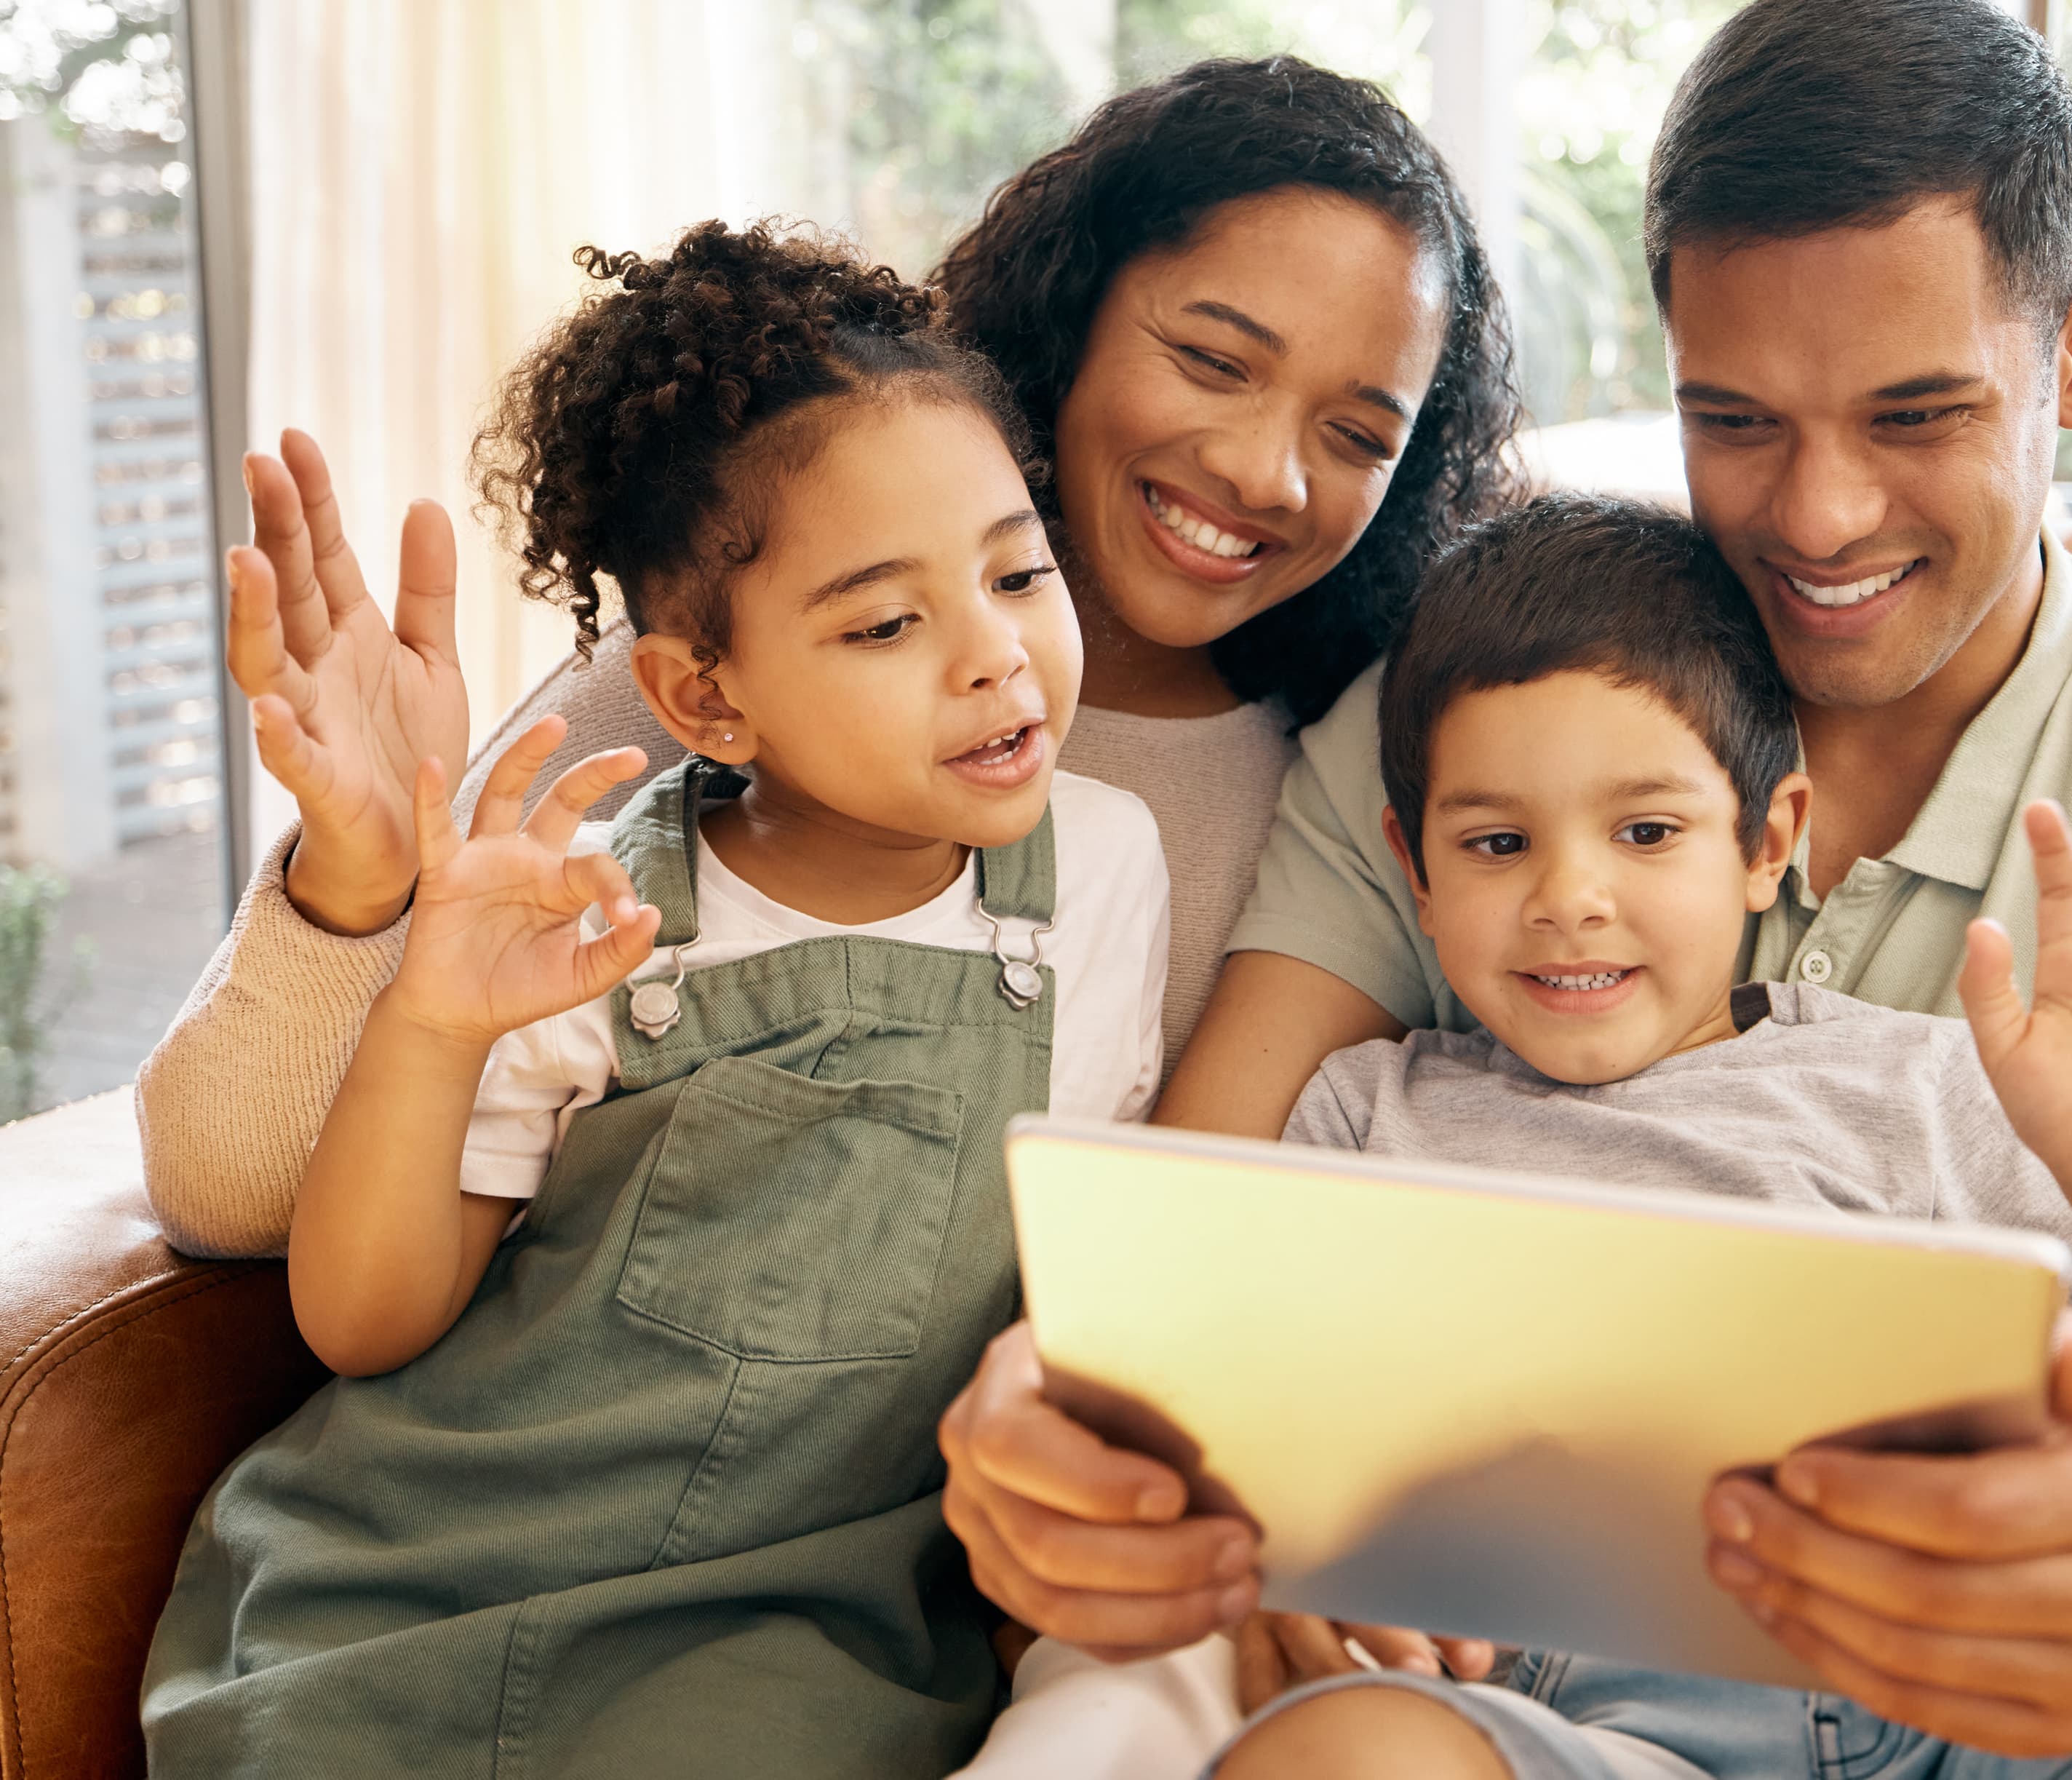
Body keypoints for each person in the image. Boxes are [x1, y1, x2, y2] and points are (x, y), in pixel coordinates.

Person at [937, 4, 2072, 1774]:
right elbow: (1181, 1263)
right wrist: (1095, 1446)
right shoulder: (1474, 714)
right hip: (1554, 1700)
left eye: (1917, 411)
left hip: (2057, 1684)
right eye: (1734, 416)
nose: (1817, 514)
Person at [971, 491, 2072, 1780]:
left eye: (1645, 830)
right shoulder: (1363, 1114)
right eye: (1497, 844)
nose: (1571, 898)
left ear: (1770, 841)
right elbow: (1219, 1406)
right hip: (1574, 1725)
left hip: (1948, 1703)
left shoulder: (1932, 1086)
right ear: (1414, 869)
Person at [136, 52, 1519, 1257]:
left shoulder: (1356, 799)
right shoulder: (720, 674)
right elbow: (226, 1198)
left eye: (1357, 435)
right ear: (1076, 309)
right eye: (1215, 360)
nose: (1264, 470)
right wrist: (360, 887)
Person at [141, 223, 1171, 1775]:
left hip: (804, 1616)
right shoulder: (588, 900)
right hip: (425, 1583)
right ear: (706, 694)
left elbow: (1086, 1283)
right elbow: (364, 1321)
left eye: (1019, 571)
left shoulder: (1103, 869)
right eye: (887, 622)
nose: (996, 655)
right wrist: (431, 1014)